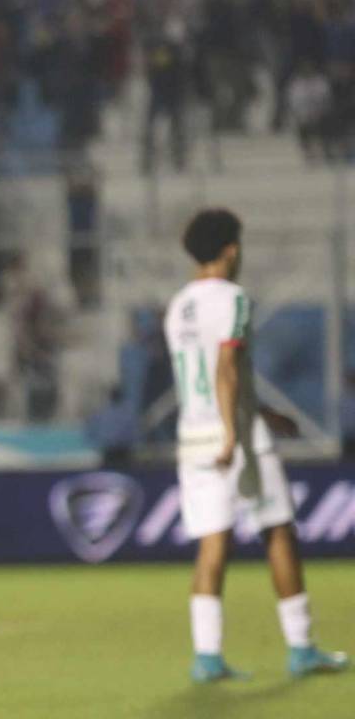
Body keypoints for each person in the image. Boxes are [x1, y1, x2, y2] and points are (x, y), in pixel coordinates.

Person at [163, 209, 348, 682]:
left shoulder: (178, 307)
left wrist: (262, 411)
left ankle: (206, 658)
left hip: (194, 438)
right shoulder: (234, 299)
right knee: (278, 531)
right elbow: (226, 368)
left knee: (212, 545)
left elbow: (208, 379)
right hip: (240, 439)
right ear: (231, 250)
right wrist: (234, 432)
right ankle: (301, 648)